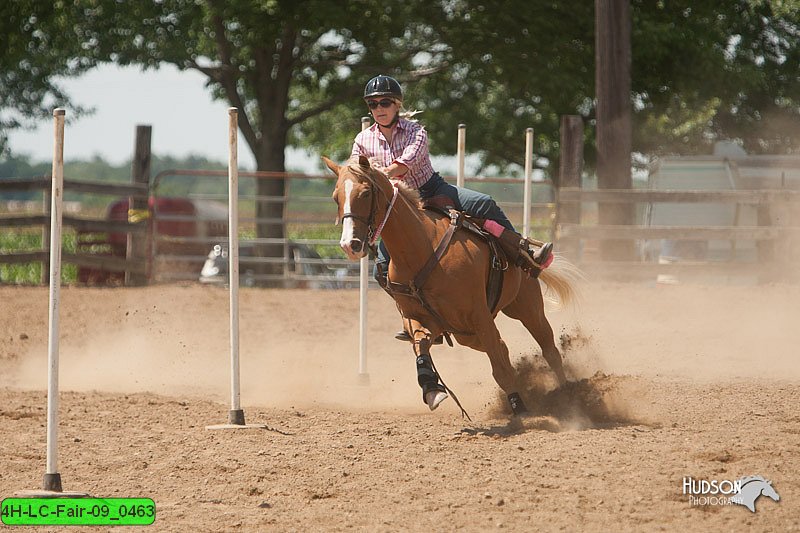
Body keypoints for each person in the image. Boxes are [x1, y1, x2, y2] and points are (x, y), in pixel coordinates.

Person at [351, 74, 554, 342]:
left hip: (431, 190)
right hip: (397, 207)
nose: (379, 108)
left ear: (397, 104)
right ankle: (415, 314)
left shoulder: (415, 131)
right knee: (382, 266)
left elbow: (404, 164)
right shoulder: (362, 140)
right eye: (373, 104)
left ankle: (523, 252)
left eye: (385, 102)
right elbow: (354, 172)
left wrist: (378, 177)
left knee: (482, 203)